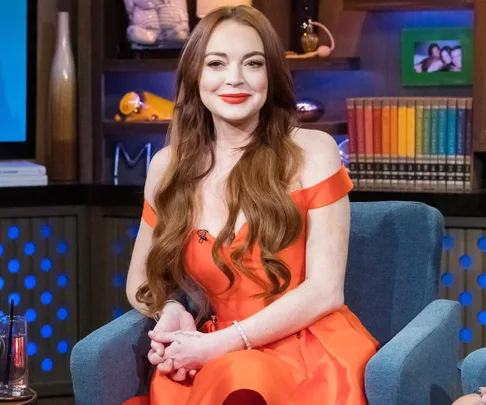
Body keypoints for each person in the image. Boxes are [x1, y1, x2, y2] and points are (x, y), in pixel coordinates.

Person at [123, 5, 378, 405]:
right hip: (209, 349)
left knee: (241, 375)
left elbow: (326, 291)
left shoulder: (313, 152)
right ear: (196, 75)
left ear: (271, 75)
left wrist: (225, 344)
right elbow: (140, 283)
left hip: (306, 349)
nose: (235, 78)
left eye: (253, 63)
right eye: (217, 63)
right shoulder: (166, 167)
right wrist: (170, 310)